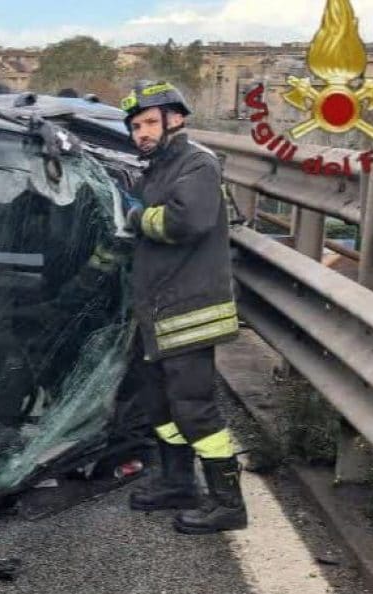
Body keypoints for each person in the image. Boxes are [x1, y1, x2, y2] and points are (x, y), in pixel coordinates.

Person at [118, 80, 248, 534]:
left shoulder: (197, 164)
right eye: (136, 127)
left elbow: (187, 220)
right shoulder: (156, 169)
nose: (142, 134)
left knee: (194, 408)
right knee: (158, 402)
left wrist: (134, 218)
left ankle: (228, 503)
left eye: (150, 122)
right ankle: (179, 482)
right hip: (158, 310)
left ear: (176, 119)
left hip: (190, 310)